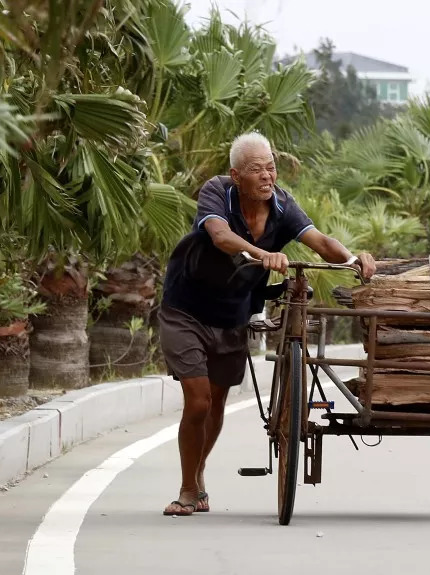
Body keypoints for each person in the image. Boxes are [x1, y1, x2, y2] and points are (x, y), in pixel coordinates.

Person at [158, 132, 376, 516]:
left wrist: (353, 260)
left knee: (217, 402)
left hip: (232, 314)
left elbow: (320, 242)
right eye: (257, 169)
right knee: (198, 400)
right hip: (186, 309)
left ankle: (199, 467)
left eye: (271, 167)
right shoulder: (217, 192)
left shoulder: (282, 205)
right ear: (236, 174)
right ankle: (188, 488)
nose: (267, 176)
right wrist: (264, 254)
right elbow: (221, 236)